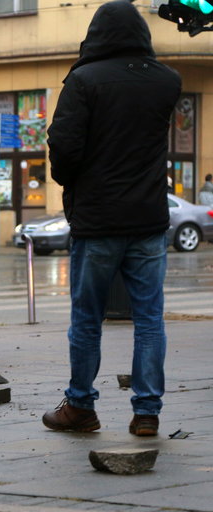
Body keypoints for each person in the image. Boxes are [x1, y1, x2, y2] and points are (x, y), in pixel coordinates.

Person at [43, 0, 181, 437]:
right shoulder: (167, 81)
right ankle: (146, 412)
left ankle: (80, 406)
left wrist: (71, 184)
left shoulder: (84, 80)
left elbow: (64, 146)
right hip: (148, 219)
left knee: (87, 317)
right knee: (149, 319)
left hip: (98, 219)